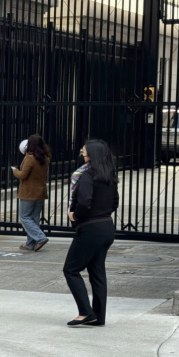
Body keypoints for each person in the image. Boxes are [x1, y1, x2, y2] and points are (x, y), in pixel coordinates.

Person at [64, 139, 119, 327]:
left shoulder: (86, 175)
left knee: (71, 269)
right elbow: (114, 203)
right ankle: (98, 316)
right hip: (106, 227)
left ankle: (86, 312)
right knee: (97, 272)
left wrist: (75, 215)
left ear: (92, 154)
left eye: (85, 150)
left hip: (90, 229)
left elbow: (84, 202)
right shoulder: (109, 175)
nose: (82, 151)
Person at [12, 134, 51, 252]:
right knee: (34, 218)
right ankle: (30, 244)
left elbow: (23, 175)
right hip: (40, 192)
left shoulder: (30, 158)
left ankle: (40, 237)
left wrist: (15, 171)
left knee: (24, 217)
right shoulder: (46, 157)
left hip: (28, 193)